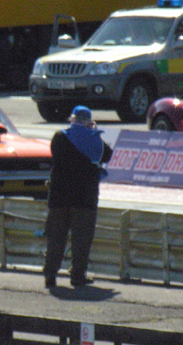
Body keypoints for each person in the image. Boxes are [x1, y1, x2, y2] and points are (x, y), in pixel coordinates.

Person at [43, 105, 113, 288]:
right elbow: (107, 154)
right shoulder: (93, 139)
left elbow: (54, 156)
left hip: (59, 197)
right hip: (85, 199)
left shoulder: (59, 137)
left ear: (72, 119)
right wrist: (94, 132)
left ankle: (50, 274)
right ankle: (77, 275)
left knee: (56, 237)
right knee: (81, 240)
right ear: (89, 121)